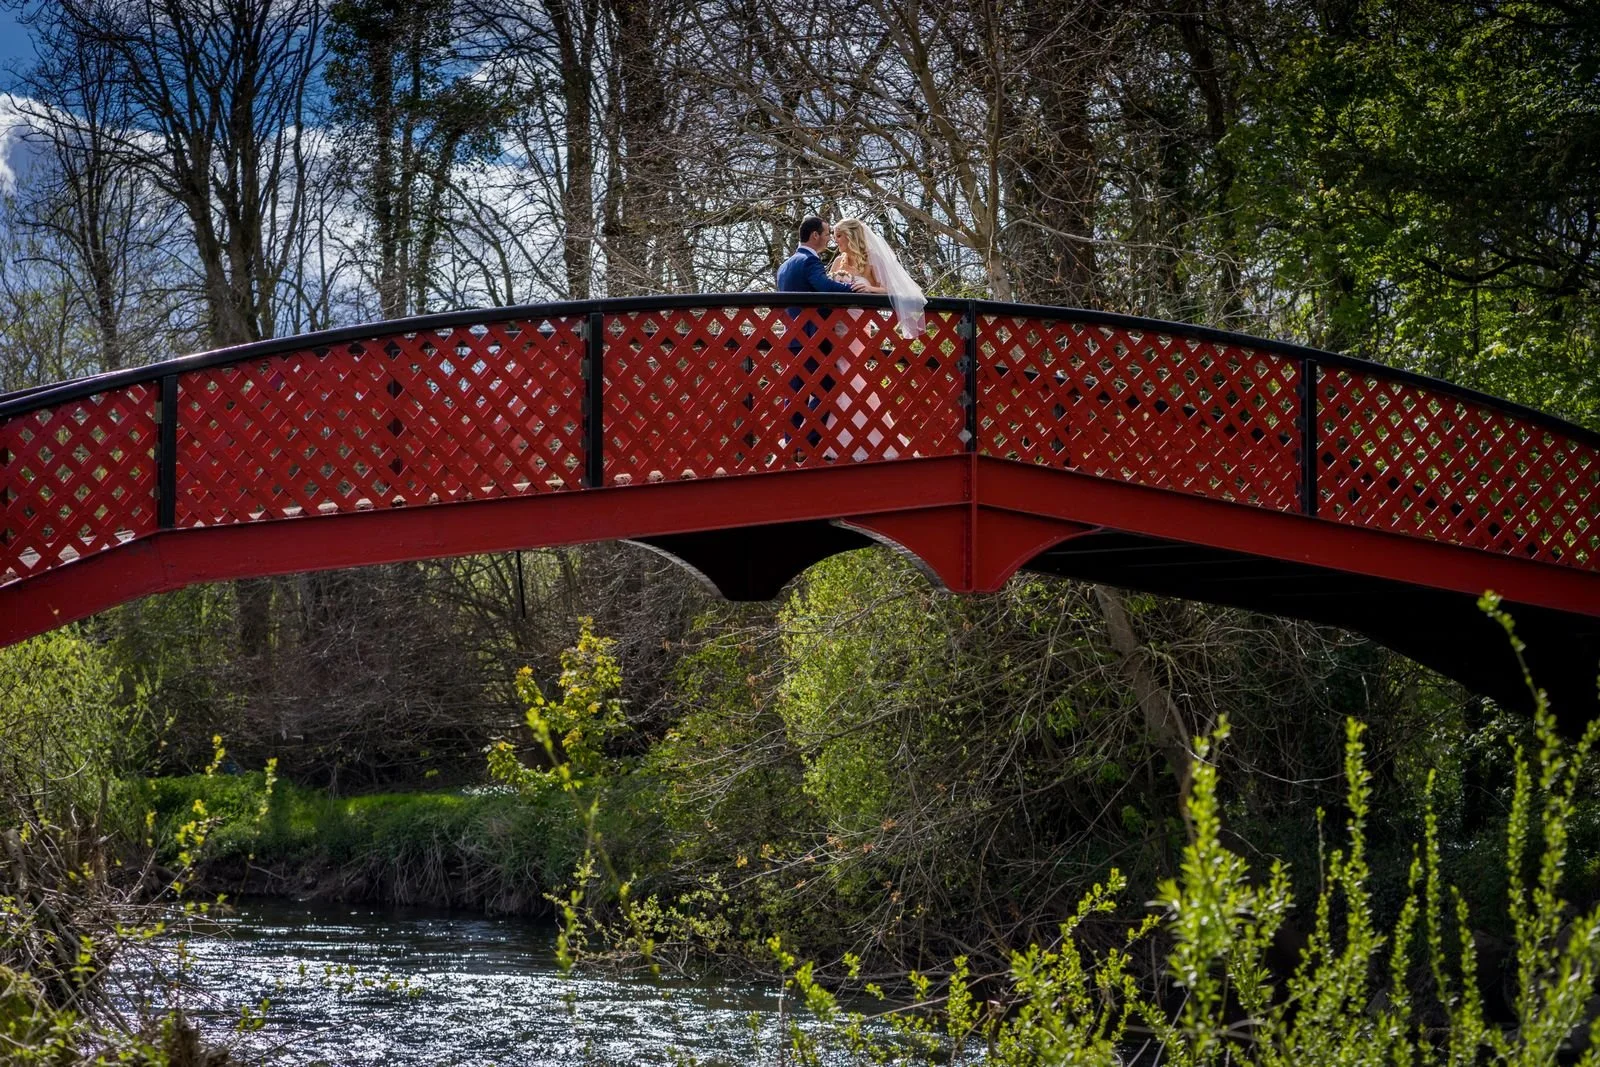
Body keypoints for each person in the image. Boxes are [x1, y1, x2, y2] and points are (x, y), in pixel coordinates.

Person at [775, 217, 864, 454]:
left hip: (792, 339)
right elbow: (823, 287)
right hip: (813, 338)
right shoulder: (809, 261)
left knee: (794, 394)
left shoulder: (785, 265)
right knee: (828, 387)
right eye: (826, 233)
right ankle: (808, 442)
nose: (828, 238)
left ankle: (791, 446)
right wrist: (852, 289)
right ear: (815, 235)